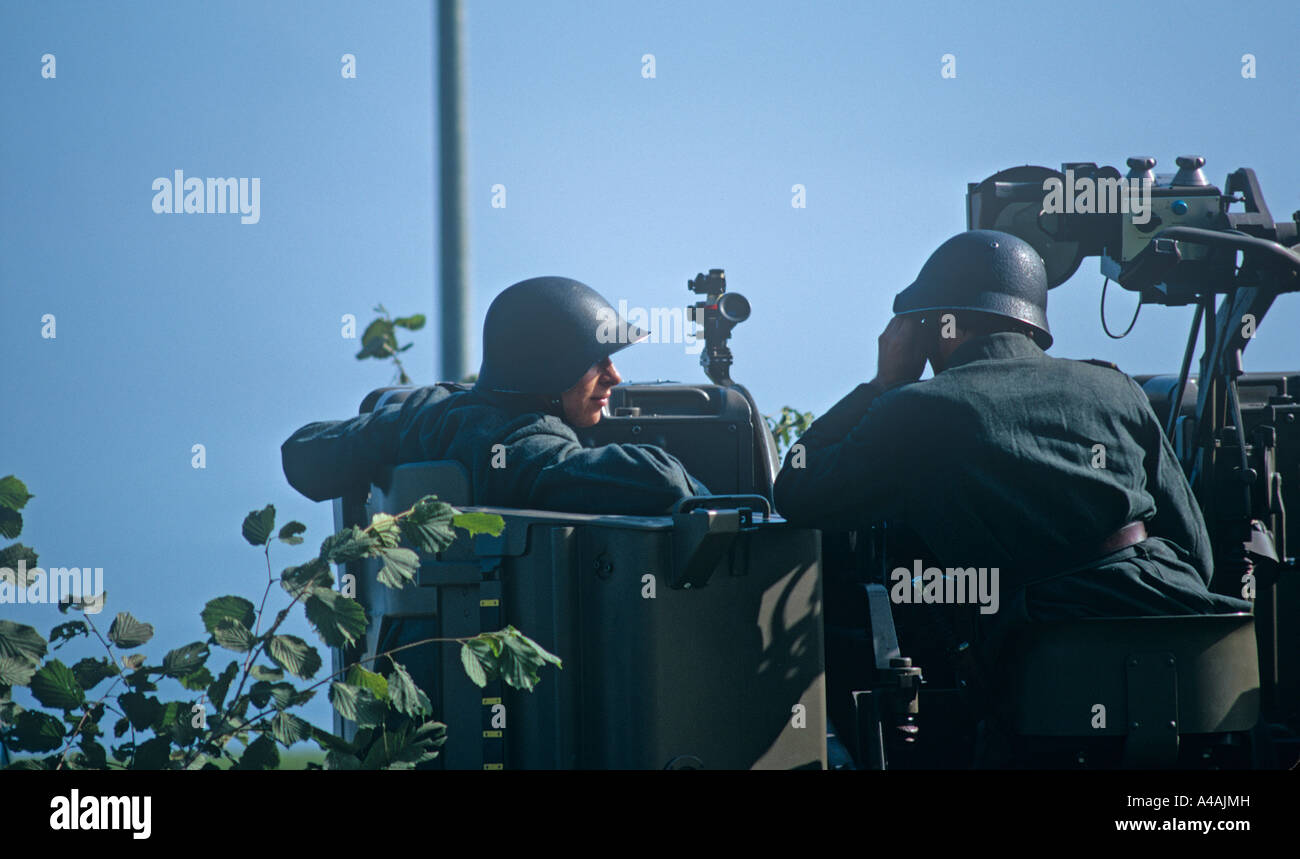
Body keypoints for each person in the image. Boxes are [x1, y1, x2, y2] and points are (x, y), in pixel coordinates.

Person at [773, 230, 1244, 760]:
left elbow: (797, 490)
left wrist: (881, 386)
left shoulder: (916, 410)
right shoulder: (1116, 388)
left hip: (1046, 703)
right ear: (1033, 322)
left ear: (932, 328)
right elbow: (1197, 557)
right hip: (1200, 687)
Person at [282, 276, 709, 515]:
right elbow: (664, 484)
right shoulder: (526, 448)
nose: (614, 376)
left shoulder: (432, 415)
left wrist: (386, 439)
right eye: (596, 361)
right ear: (547, 367)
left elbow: (302, 451)